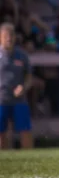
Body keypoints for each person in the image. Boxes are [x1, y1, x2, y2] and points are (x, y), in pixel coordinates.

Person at [0, 22, 33, 150]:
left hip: (19, 100)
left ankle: (29, 158)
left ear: (15, 37)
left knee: (25, 130)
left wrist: (23, 87)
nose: (9, 38)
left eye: (11, 36)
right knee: (1, 133)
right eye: (6, 36)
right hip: (1, 99)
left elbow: (29, 77)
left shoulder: (22, 55)